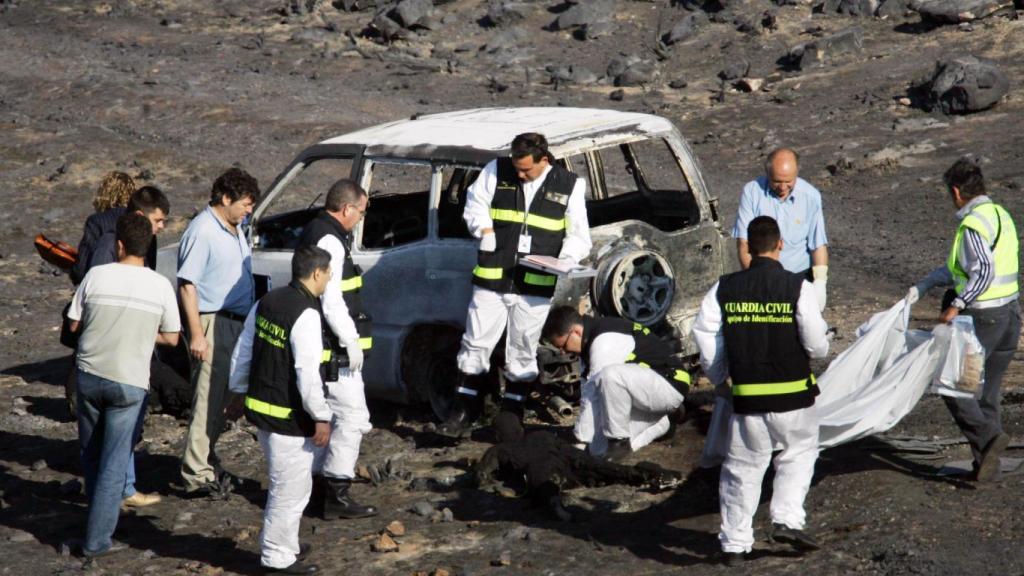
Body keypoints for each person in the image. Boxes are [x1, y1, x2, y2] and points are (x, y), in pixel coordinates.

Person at [692, 215, 829, 564]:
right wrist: (818, 348)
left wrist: (719, 375)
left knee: (742, 470)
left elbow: (705, 334)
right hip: (795, 396)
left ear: (747, 248)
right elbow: (815, 345)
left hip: (748, 399)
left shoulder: (724, 287)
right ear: (780, 244)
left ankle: (735, 545)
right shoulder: (797, 286)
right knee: (798, 454)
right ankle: (786, 518)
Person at [438, 133, 592, 438]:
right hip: (493, 276)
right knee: (475, 342)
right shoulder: (496, 170)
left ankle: (511, 417)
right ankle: (462, 413)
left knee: (522, 348)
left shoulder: (570, 185)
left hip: (535, 284)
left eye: (526, 170)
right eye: (516, 168)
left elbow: (579, 235)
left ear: (544, 160)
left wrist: (565, 258)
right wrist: (483, 229)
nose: (519, 174)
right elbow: (474, 203)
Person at [67, 213, 181, 557]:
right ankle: (97, 540)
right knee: (115, 462)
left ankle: (94, 520)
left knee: (92, 452)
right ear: (147, 247)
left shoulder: (96, 276)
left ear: (119, 245)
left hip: (90, 374)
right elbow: (173, 338)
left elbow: (73, 326)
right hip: (129, 381)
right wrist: (145, 333)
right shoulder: (159, 285)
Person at [905, 157, 1019, 482]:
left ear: (956, 192)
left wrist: (956, 305)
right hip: (1010, 316)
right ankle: (987, 466)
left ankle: (988, 440)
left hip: (983, 319)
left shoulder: (972, 225)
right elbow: (959, 269)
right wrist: (922, 287)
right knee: (986, 393)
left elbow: (982, 270)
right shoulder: (1000, 216)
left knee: (954, 386)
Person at [225, 246, 334, 574]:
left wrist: (238, 391)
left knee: (292, 487)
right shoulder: (306, 314)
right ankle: (277, 559)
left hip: (263, 414)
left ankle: (288, 546)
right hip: (289, 420)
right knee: (289, 492)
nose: (330, 279)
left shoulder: (267, 301)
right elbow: (307, 373)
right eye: (328, 273)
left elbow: (243, 351)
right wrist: (321, 416)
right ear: (316, 273)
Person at [295, 179, 378, 519]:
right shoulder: (332, 240)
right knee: (353, 418)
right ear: (347, 209)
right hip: (334, 351)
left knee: (322, 416)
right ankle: (336, 494)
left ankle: (314, 491)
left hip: (320, 343)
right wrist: (351, 341)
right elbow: (332, 301)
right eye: (360, 212)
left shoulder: (315, 229)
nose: (360, 219)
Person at [179, 168, 259, 498]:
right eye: (245, 204)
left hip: (235, 322)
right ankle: (195, 474)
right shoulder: (203, 231)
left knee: (223, 398)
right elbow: (187, 284)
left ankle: (206, 460)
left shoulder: (233, 228)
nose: (249, 210)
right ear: (225, 199)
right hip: (212, 322)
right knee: (207, 396)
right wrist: (197, 334)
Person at [541, 306, 691, 462]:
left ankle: (619, 440)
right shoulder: (587, 343)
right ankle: (662, 423)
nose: (563, 353)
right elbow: (588, 396)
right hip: (644, 390)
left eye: (563, 346)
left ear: (576, 332)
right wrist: (584, 443)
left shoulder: (604, 340)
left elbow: (593, 393)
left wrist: (579, 440)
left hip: (670, 385)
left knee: (609, 376)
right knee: (597, 451)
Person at [474, 412, 682, 521]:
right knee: (608, 470)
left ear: (498, 435)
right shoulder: (541, 434)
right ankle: (653, 474)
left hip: (544, 466)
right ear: (519, 428)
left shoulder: (498, 449)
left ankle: (554, 504)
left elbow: (481, 476)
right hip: (569, 457)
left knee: (543, 481)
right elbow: (564, 447)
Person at [732, 148, 829, 310]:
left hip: (797, 277)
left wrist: (820, 282)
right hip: (762, 275)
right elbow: (744, 243)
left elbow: (817, 244)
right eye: (777, 181)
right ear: (767, 174)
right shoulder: (752, 193)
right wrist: (754, 280)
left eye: (789, 181)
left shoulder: (811, 196)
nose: (783, 187)